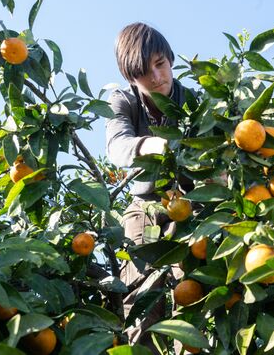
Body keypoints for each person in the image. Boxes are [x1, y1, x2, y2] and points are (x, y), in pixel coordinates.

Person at [105, 22, 188, 352]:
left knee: (192, 292)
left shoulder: (191, 102)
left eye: (160, 64)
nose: (157, 77)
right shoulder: (123, 101)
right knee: (141, 300)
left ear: (169, 59)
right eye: (144, 72)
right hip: (146, 204)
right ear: (131, 77)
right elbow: (117, 145)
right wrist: (151, 146)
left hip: (189, 201)